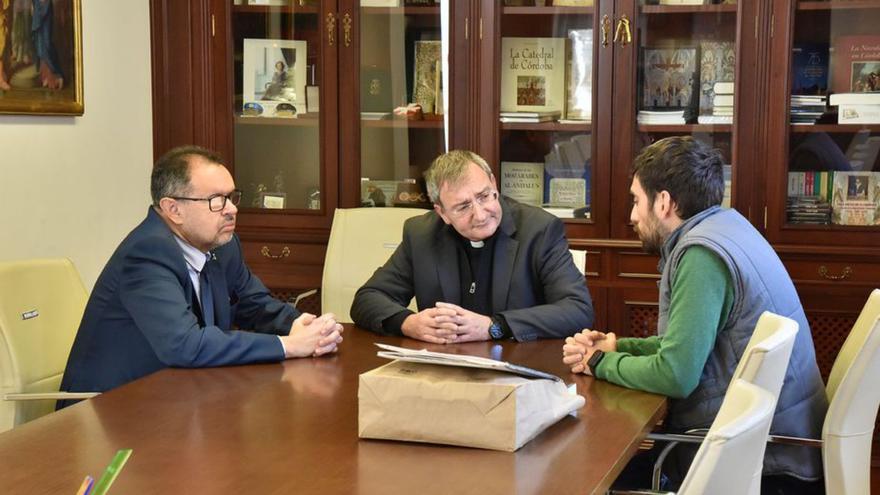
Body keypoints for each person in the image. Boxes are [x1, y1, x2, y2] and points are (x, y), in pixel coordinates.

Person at [562, 136, 827, 491]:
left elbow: (676, 375)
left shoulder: (701, 256)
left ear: (664, 202)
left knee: (585, 475)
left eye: (636, 201)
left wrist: (597, 363)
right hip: (773, 445)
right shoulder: (729, 226)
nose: (631, 215)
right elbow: (690, 343)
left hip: (764, 467)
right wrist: (618, 347)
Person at [58, 146, 343, 408]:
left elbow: (254, 303)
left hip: (179, 398)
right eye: (217, 201)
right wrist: (289, 345)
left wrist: (304, 326)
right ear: (174, 209)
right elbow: (185, 345)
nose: (231, 209)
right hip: (111, 411)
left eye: (232, 197)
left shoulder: (223, 245)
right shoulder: (146, 254)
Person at [351, 149, 594, 343]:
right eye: (463, 206)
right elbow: (367, 298)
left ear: (494, 183)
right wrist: (407, 323)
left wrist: (494, 326)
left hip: (519, 371)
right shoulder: (421, 234)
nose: (480, 215)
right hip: (444, 374)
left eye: (483, 196)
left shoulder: (539, 230)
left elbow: (577, 310)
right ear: (442, 212)